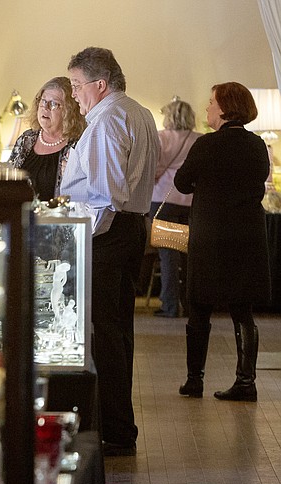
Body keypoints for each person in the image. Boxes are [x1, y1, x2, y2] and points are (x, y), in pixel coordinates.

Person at [60, 47, 160, 456]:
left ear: (100, 85)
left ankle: (114, 428)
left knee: (103, 335)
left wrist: (79, 236)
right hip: (131, 229)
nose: (74, 95)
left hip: (108, 234)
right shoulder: (139, 112)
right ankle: (119, 426)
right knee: (119, 332)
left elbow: (105, 198)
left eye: (77, 86)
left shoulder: (104, 122)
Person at [174, 82, 270, 402]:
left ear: (225, 107)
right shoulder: (258, 145)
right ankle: (246, 382)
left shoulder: (206, 145)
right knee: (243, 310)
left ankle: (194, 379)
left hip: (211, 237)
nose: (207, 108)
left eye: (211, 102)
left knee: (199, 307)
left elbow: (181, 182)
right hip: (247, 236)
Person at [149, 98, 201, 318]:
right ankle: (191, 304)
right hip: (190, 202)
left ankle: (170, 305)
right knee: (189, 257)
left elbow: (154, 169)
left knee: (169, 256)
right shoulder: (199, 139)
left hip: (164, 199)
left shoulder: (162, 138)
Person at [7, 76, 86, 200]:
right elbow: (9, 179)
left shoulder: (78, 145)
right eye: (43, 101)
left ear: (69, 111)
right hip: (22, 216)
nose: (45, 107)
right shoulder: (26, 139)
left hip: (58, 217)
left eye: (54, 104)